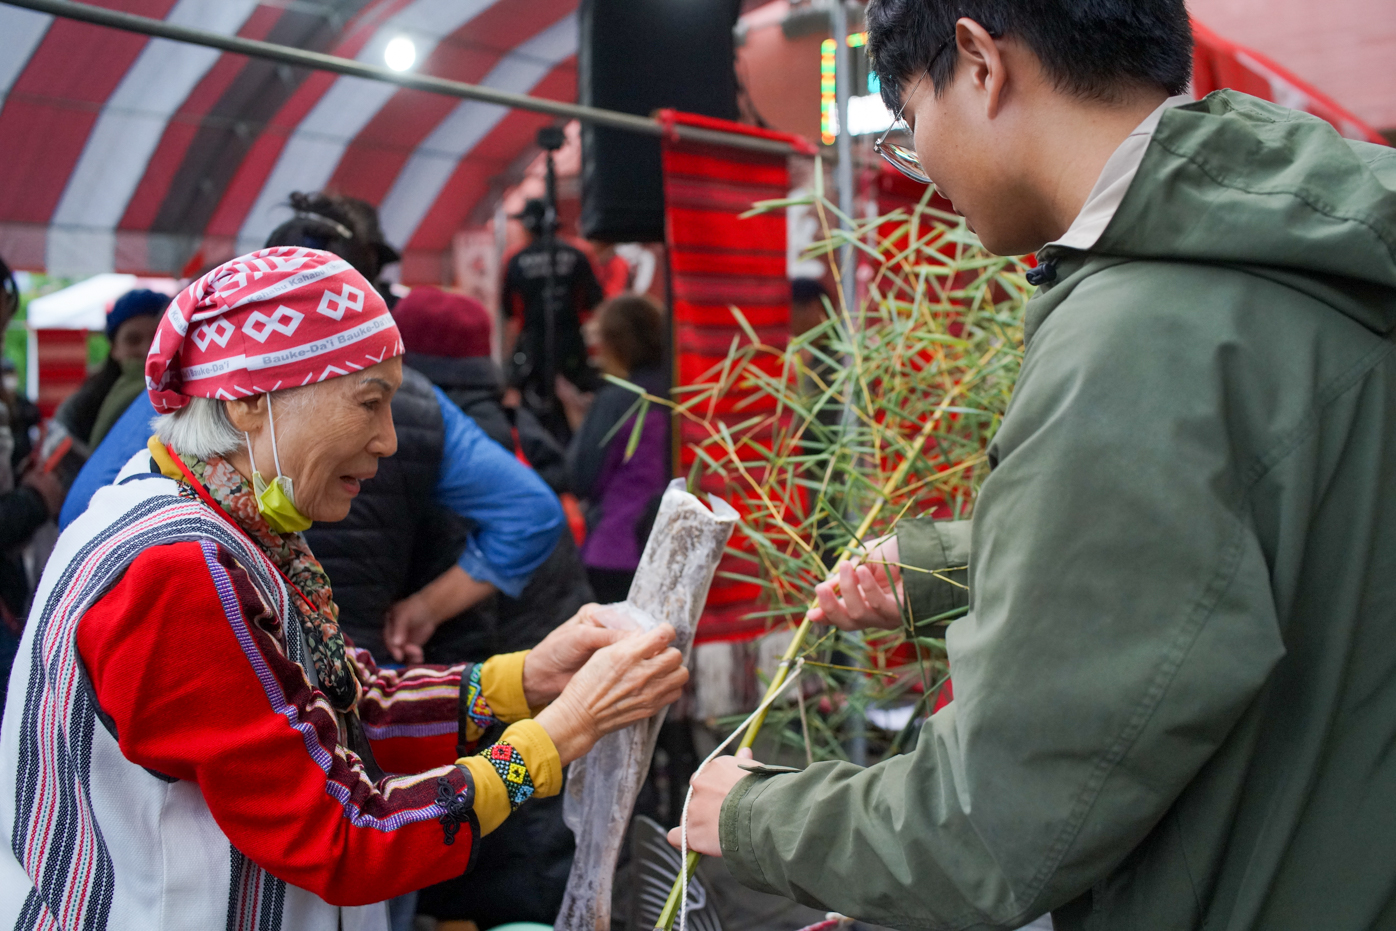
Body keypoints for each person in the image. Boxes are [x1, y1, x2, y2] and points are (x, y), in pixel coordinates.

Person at [677, 2, 1396, 930]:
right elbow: (1281, 529)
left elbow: (988, 828)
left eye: (907, 123)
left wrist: (747, 812)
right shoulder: (1314, 253)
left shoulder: (1140, 336)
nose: (920, 164)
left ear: (979, 62)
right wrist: (949, 565)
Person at [0, 248, 688, 928]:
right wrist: (558, 734)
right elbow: (343, 830)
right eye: (370, 402)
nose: (388, 439)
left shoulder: (228, 517)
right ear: (248, 401)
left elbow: (350, 706)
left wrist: (527, 678)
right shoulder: (175, 566)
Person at [393, 284, 595, 928]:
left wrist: (422, 611)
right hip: (540, 661)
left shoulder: (443, 440)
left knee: (516, 871)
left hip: (513, 679)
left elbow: (475, 587)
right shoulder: (506, 422)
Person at [566, 294, 670, 604]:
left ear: (616, 343)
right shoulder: (683, 393)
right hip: (670, 549)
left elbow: (582, 477)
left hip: (617, 546)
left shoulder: (617, 400)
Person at [502, 199, 605, 436]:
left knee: (535, 416)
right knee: (576, 411)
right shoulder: (579, 254)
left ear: (527, 226)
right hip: (572, 345)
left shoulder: (516, 260)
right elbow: (594, 301)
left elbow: (509, 311)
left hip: (532, 348)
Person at [54, 288, 166, 449]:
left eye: (158, 338)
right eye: (133, 340)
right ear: (114, 348)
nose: (147, 350)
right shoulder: (81, 408)